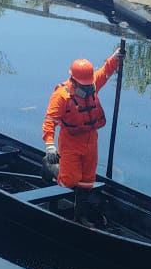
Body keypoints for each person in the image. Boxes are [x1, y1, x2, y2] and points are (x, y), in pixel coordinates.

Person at [43, 45, 125, 225]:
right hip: (71, 141)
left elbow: (105, 72)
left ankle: (79, 217)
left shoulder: (91, 85)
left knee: (87, 180)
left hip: (90, 141)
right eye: (85, 86)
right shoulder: (61, 96)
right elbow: (50, 121)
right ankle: (49, 166)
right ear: (74, 81)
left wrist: (115, 58)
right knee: (69, 180)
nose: (88, 89)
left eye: (90, 85)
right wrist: (50, 146)